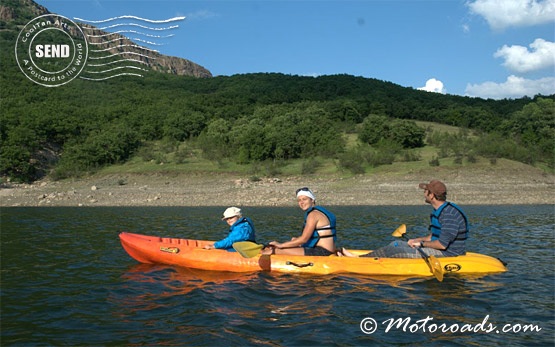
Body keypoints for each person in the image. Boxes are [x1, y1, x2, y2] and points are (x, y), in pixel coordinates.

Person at [341, 180, 468, 258]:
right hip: (439, 249)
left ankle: (359, 260)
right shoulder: (441, 210)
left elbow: (441, 244)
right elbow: (435, 236)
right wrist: (416, 240)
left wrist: (422, 244)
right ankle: (362, 257)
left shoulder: (449, 215)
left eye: (426, 191)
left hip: (447, 254)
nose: (424, 193)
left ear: (432, 195)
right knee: (395, 244)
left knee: (394, 250)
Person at [261, 187, 337, 256]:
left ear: (312, 200)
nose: (301, 202)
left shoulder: (313, 215)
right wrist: (295, 241)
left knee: (275, 251)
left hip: (322, 252)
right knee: (294, 240)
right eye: (299, 200)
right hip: (325, 249)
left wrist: (281, 245)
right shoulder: (319, 212)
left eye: (304, 199)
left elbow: (304, 239)